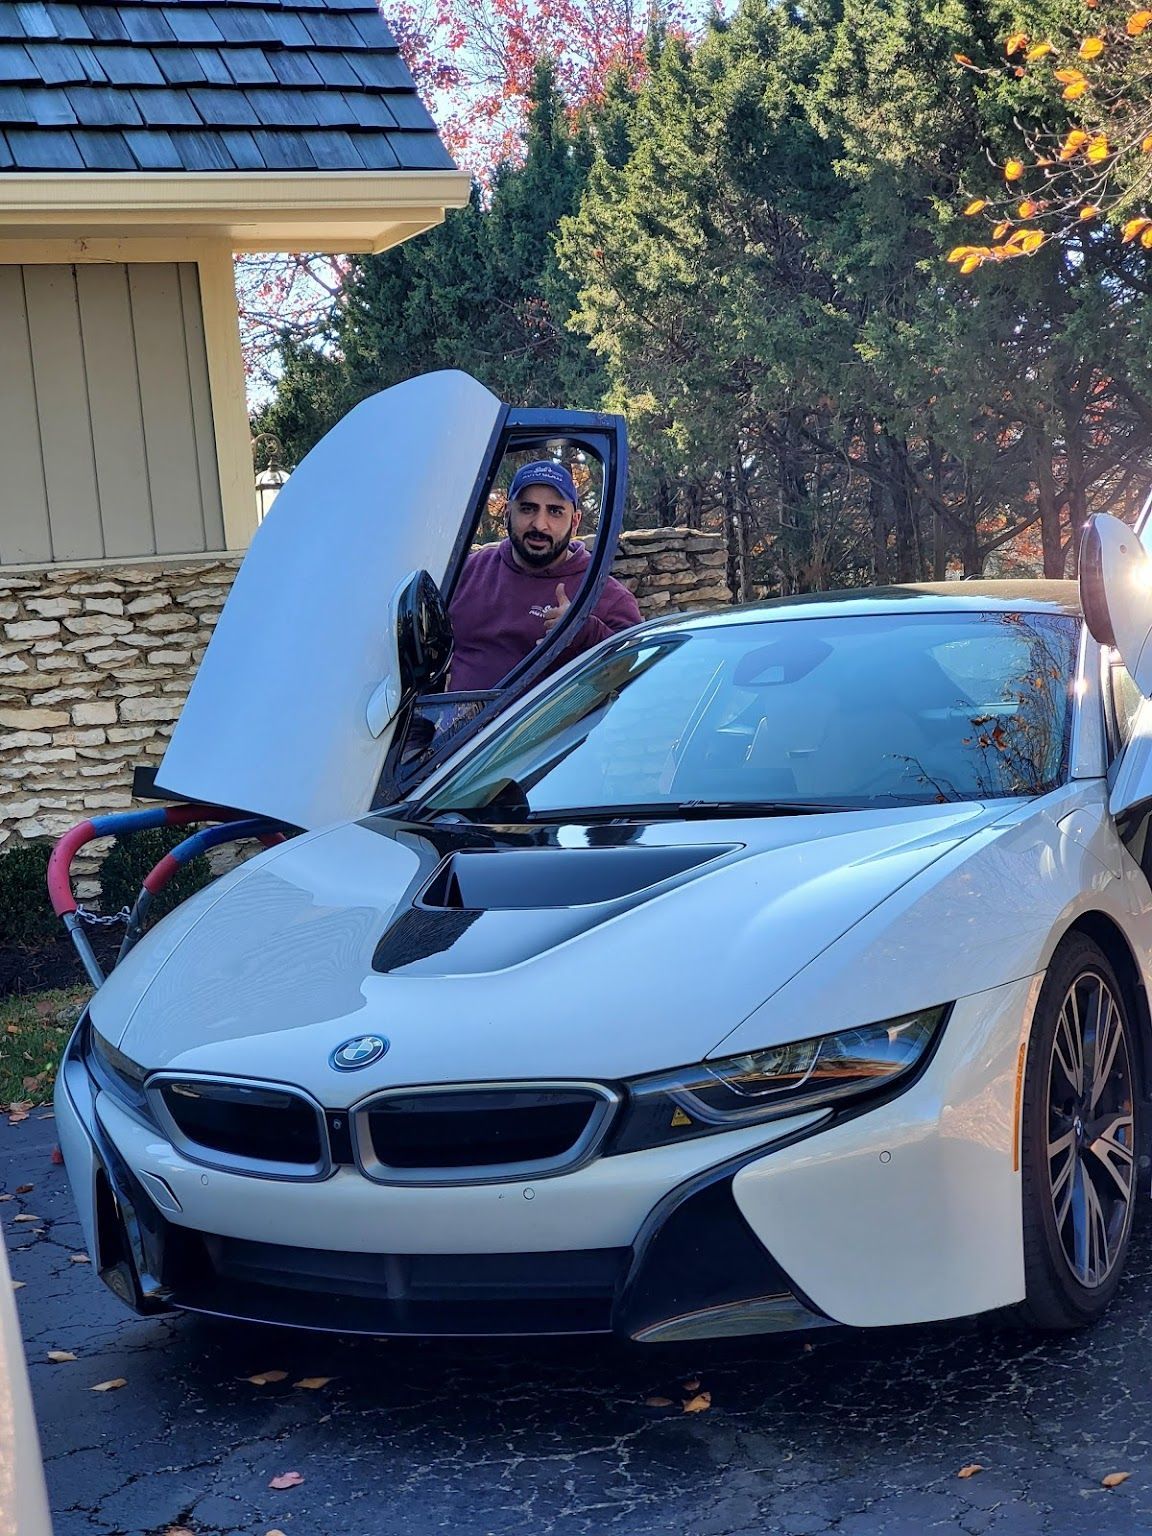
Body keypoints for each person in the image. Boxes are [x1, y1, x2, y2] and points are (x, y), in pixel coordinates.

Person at [447, 460, 641, 691]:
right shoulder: (467, 574)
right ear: (508, 513)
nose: (540, 525)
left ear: (575, 521)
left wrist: (583, 631)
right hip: (458, 726)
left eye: (555, 511)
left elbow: (631, 674)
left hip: (558, 728)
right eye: (528, 509)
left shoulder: (605, 596)